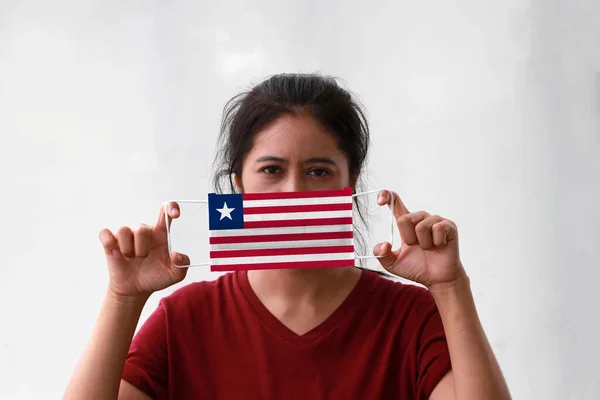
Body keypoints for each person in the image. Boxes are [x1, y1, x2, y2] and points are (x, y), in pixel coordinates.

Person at [64, 74, 511, 400]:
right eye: (272, 170)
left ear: (351, 182)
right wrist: (123, 299)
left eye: (319, 171)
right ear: (237, 184)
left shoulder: (409, 319)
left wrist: (451, 288)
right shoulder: (184, 320)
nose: (294, 191)